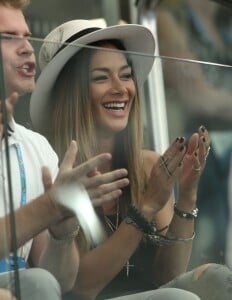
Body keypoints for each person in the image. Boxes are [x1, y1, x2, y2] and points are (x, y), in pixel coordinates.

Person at [30, 19, 232, 300]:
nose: (121, 88)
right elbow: (79, 287)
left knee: (214, 281)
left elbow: (168, 276)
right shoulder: (54, 175)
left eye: (125, 74)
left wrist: (187, 194)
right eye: (101, 77)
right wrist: (144, 209)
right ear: (72, 95)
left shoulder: (147, 166)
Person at [0, 1, 129, 299]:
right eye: (8, 37)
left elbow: (62, 282)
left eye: (27, 36)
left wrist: (62, 234)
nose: (27, 48)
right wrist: (51, 206)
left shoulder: (37, 147)